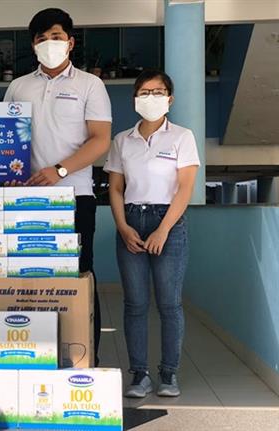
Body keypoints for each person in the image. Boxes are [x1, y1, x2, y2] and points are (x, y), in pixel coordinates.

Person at [3, 8, 112, 366]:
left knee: (78, 278)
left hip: (74, 198)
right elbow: (7, 140)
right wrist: (7, 171)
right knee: (29, 281)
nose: (49, 43)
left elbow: (100, 140)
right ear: (33, 44)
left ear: (70, 42)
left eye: (56, 36)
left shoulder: (90, 85)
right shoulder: (19, 86)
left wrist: (60, 170)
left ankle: (85, 360)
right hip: (25, 200)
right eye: (42, 38)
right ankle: (33, 357)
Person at [104, 70, 200, 398]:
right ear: (135, 99)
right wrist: (122, 226)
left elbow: (185, 188)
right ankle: (140, 375)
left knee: (169, 304)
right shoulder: (122, 140)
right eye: (144, 92)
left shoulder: (182, 137)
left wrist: (163, 229)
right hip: (131, 220)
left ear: (169, 99)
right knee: (135, 303)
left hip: (168, 223)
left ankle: (169, 374)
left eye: (157, 92)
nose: (150, 98)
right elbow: (115, 188)